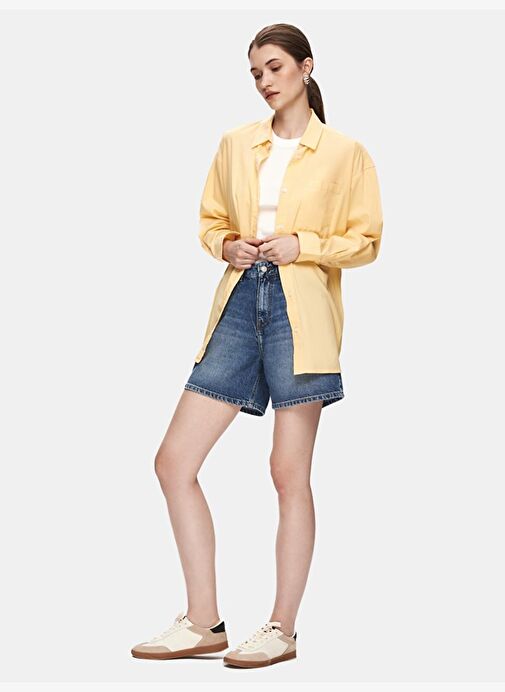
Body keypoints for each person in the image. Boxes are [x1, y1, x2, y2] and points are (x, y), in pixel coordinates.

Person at [131, 22, 383, 669]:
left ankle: (281, 629)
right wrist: (227, 245)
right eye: (255, 73)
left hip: (303, 312)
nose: (264, 81)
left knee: (287, 473)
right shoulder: (235, 144)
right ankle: (203, 621)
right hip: (241, 302)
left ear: (305, 67)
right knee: (173, 462)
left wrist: (305, 246)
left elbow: (366, 241)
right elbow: (211, 220)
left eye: (274, 67)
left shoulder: (345, 152)